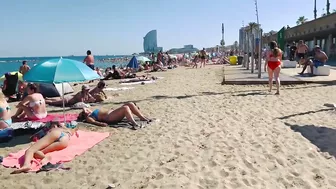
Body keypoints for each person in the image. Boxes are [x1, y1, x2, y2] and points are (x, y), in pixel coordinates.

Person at [11, 122, 78, 174]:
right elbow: (73, 130)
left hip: (56, 134)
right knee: (38, 152)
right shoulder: (68, 130)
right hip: (65, 141)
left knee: (30, 150)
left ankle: (26, 165)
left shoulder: (53, 129)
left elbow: (36, 137)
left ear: (54, 125)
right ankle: (45, 157)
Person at [78, 102, 151, 129]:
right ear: (84, 116)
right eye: (85, 113)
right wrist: (101, 124)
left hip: (112, 113)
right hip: (110, 117)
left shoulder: (91, 112)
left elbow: (85, 107)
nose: (86, 111)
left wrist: (85, 110)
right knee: (125, 108)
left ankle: (142, 117)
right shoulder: (89, 118)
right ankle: (134, 123)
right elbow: (94, 122)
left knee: (130, 104)